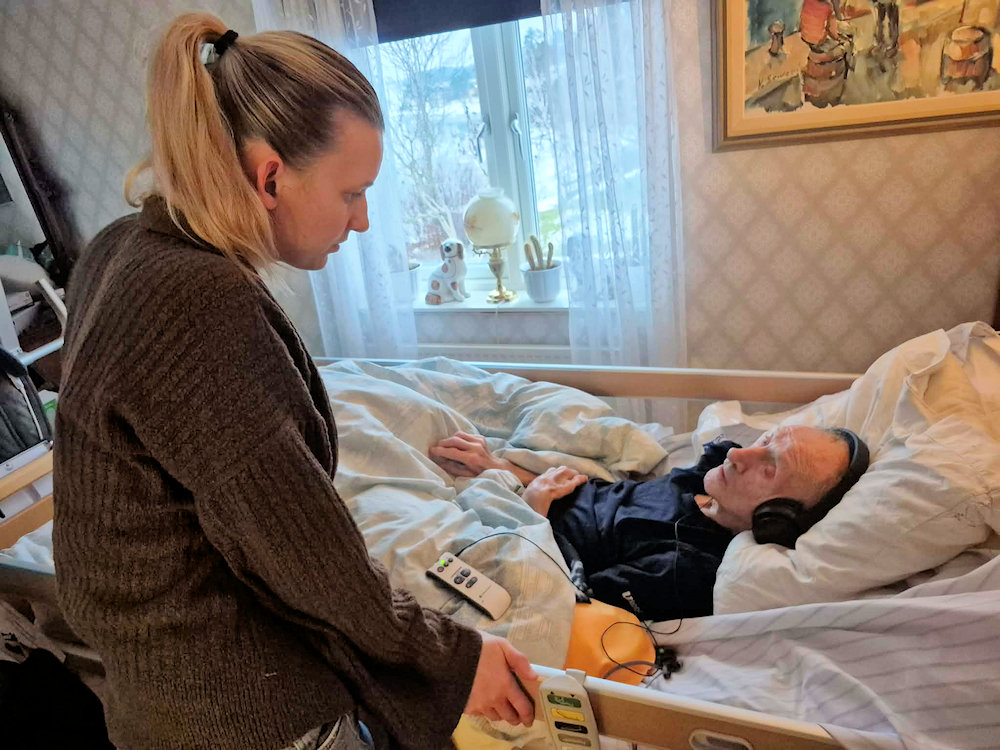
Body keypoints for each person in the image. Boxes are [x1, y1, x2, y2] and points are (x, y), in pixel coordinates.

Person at [52, 14, 536, 750]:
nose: (363, 221)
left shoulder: (120, 247)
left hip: (154, 699)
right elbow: (308, 558)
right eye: (351, 193)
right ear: (271, 176)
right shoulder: (197, 300)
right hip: (242, 716)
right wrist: (454, 659)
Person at [430, 426, 868, 621]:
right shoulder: (715, 478)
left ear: (776, 519)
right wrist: (503, 467)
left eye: (769, 468)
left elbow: (566, 600)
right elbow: (608, 493)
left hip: (519, 533)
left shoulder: (687, 570)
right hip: (539, 490)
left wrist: (530, 508)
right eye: (766, 439)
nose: (740, 454)